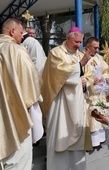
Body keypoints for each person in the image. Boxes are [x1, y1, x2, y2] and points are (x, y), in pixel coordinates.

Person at [40, 27, 93, 170]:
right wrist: (80, 65)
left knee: (77, 142)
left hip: (77, 104)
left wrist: (85, 83)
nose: (78, 45)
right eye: (76, 42)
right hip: (60, 105)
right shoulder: (56, 53)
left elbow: (87, 76)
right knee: (60, 135)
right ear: (67, 38)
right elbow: (59, 75)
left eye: (80, 42)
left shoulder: (78, 55)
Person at [0, 18, 42, 170]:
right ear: (12, 31)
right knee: (18, 160)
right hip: (15, 115)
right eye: (20, 32)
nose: (21, 36)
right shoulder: (16, 50)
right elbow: (31, 80)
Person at [82, 37, 109, 149]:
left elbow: (107, 72)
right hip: (88, 95)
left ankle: (99, 140)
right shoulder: (81, 57)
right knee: (90, 118)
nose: (97, 50)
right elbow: (79, 74)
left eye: (98, 48)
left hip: (98, 93)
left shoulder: (99, 58)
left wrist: (103, 78)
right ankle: (90, 141)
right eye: (95, 48)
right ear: (87, 46)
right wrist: (90, 80)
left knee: (99, 116)